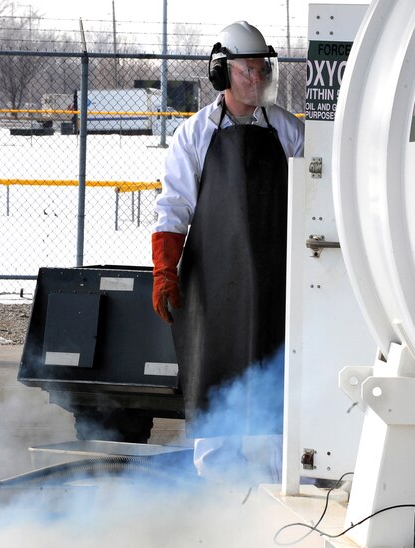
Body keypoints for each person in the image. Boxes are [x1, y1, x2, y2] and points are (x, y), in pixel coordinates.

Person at [150, 21, 304, 483]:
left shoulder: (289, 132)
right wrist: (164, 270)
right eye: (247, 72)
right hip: (215, 281)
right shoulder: (194, 134)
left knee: (280, 369)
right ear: (223, 74)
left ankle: (283, 477)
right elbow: (173, 206)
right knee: (214, 366)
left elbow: (314, 198)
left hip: (280, 278)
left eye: (262, 71)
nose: (257, 80)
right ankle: (217, 477)